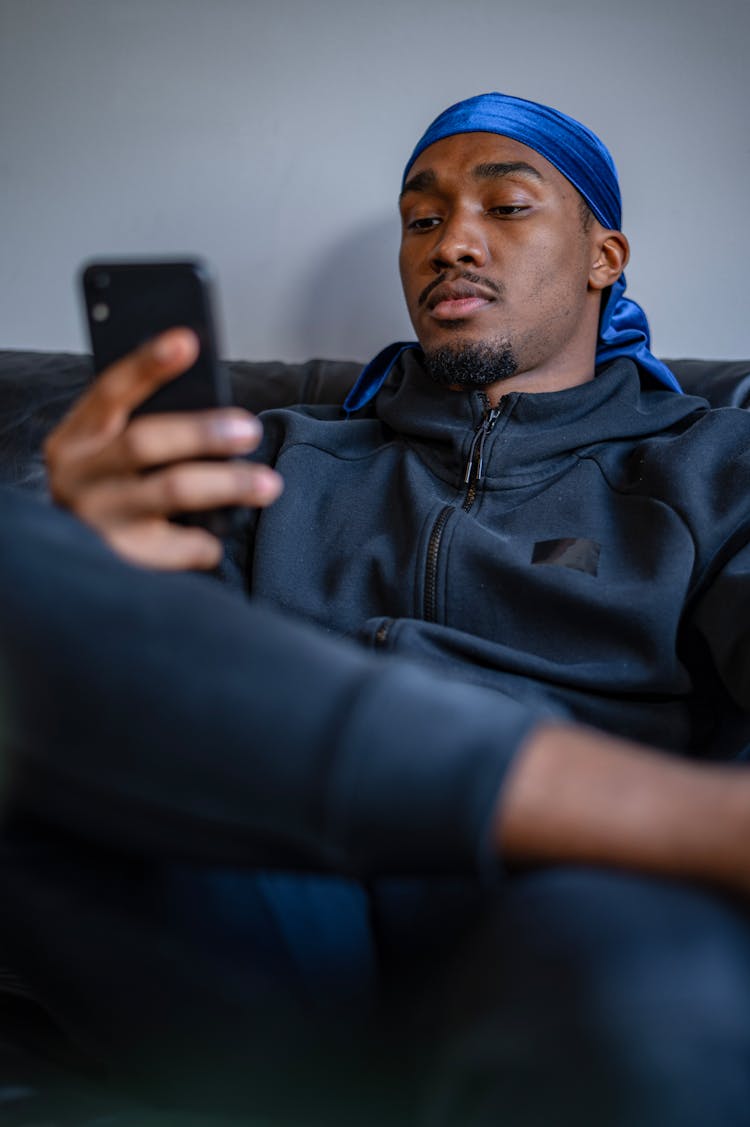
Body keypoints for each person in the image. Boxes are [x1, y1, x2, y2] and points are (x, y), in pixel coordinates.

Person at [3, 92, 750, 1125]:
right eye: (423, 218)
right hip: (264, 890)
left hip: (570, 897)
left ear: (603, 257)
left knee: (654, 996)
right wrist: (80, 538)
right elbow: (151, 679)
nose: (454, 243)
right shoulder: (269, 451)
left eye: (508, 205)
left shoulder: (716, 464)